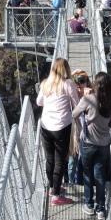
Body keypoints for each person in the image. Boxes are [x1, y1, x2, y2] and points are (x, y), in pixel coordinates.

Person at [72, 72, 111, 220]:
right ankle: (101, 209)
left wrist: (85, 114)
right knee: (99, 173)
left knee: (87, 173)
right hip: (104, 144)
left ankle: (89, 205)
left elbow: (74, 114)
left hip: (88, 143)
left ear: (95, 85)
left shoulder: (88, 99)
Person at [36, 58, 79, 206]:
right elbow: (76, 105)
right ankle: (56, 195)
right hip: (61, 127)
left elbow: (39, 102)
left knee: (49, 158)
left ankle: (52, 186)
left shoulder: (45, 83)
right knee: (60, 160)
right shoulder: (68, 84)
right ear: (66, 69)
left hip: (46, 126)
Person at [66, 69, 91, 185]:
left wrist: (90, 97)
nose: (80, 85)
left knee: (85, 162)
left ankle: (82, 183)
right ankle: (71, 183)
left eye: (82, 81)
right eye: (77, 82)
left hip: (89, 136)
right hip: (74, 134)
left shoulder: (92, 95)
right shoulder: (70, 96)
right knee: (72, 161)